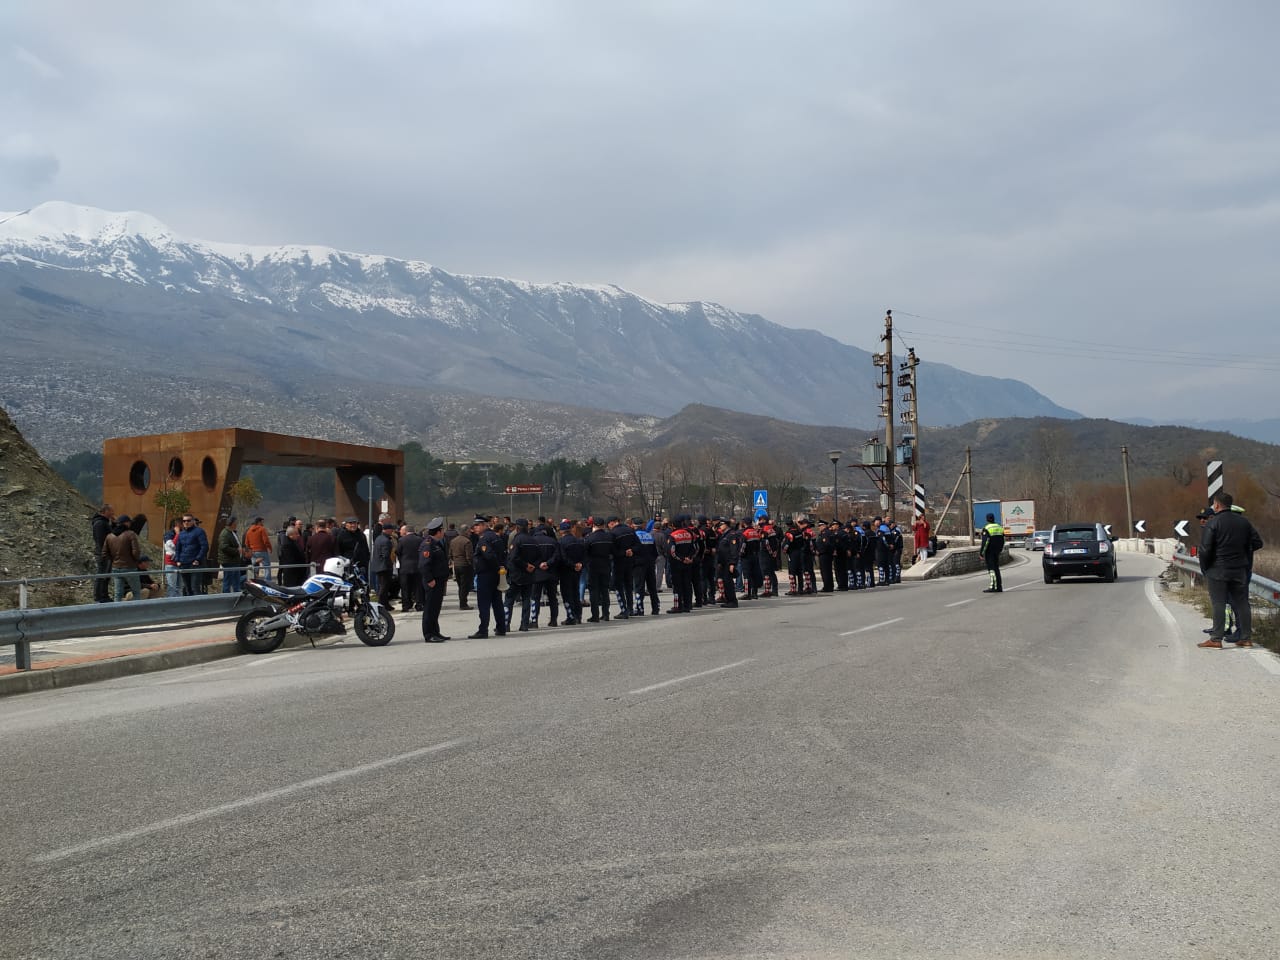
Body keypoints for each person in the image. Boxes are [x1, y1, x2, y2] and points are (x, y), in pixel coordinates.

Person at [1198, 492, 1263, 649]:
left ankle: (1216, 639)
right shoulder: (1244, 523)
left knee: (1219, 602)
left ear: (1217, 505)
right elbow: (1258, 542)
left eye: (1214, 504)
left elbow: (1205, 549)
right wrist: (1243, 552)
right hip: (1240, 569)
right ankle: (1246, 638)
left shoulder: (1212, 524)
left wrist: (1205, 567)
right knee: (1242, 603)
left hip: (1218, 569)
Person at [467, 518, 508, 638]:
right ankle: (501, 627)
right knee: (497, 602)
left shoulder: (484, 539)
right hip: (495, 574)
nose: (475, 528)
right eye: (474, 526)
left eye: (477, 525)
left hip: (486, 574)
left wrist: (495, 568)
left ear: (484, 525)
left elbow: (489, 556)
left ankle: (483, 629)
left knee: (484, 603)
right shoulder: (496, 537)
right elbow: (503, 554)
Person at [420, 517, 451, 642]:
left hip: (439, 581)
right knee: (429, 608)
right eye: (442, 530)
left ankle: (436, 632)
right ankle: (429, 634)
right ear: (438, 532)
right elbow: (423, 564)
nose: (443, 532)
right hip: (432, 582)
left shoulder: (436, 543)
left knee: (435, 608)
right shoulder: (428, 545)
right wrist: (429, 579)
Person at [103, 514, 143, 602]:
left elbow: (104, 553)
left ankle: (116, 613)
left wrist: (113, 560)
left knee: (118, 593)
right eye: (129, 522)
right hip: (130, 567)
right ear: (126, 523)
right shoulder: (130, 534)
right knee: (136, 592)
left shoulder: (109, 536)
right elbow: (136, 552)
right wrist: (136, 561)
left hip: (116, 568)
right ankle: (137, 613)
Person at [584, 518, 615, 622]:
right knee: (604, 590)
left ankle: (595, 615)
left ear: (594, 525)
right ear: (603, 525)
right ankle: (606, 614)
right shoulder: (609, 537)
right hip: (606, 564)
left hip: (593, 566)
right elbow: (613, 551)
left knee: (594, 591)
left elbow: (585, 552)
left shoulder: (590, 538)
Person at [174, 514, 209, 596]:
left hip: (195, 564)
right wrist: (178, 560)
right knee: (187, 588)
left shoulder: (199, 531)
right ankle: (188, 607)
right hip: (183, 564)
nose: (186, 522)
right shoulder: (181, 534)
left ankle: (198, 608)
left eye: (188, 520)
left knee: (195, 587)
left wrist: (198, 559)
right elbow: (178, 548)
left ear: (193, 521)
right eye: (184, 521)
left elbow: (204, 547)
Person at [91, 504, 115, 603]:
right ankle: (99, 596)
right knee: (102, 575)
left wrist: (114, 524)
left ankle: (104, 595)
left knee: (106, 576)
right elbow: (101, 540)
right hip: (103, 554)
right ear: (105, 511)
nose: (113, 513)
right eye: (111, 511)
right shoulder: (100, 524)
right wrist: (105, 553)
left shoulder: (104, 523)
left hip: (106, 554)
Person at [397, 524, 424, 613]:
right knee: (418, 587)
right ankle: (419, 604)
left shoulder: (401, 540)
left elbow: (398, 552)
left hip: (405, 567)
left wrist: (402, 561)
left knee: (405, 587)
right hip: (417, 566)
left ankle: (406, 605)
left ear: (406, 531)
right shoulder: (420, 540)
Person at [449, 522, 475, 610]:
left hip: (456, 565)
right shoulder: (467, 541)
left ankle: (462, 602)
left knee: (460, 585)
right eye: (469, 531)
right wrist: (472, 565)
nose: (470, 533)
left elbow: (450, 554)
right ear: (466, 531)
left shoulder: (453, 541)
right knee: (465, 586)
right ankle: (463, 604)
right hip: (465, 565)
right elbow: (469, 556)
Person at [217, 515, 246, 593]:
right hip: (228, 561)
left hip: (234, 560)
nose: (237, 524)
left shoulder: (232, 532)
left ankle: (236, 593)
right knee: (228, 580)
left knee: (236, 579)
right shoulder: (225, 533)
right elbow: (224, 547)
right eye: (236, 522)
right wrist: (237, 550)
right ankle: (226, 595)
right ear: (232, 523)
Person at [369, 523, 396, 605]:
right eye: (391, 530)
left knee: (382, 586)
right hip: (384, 567)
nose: (392, 531)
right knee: (384, 587)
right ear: (388, 530)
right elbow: (386, 555)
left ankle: (385, 603)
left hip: (378, 566)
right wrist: (390, 565)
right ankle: (381, 603)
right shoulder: (386, 540)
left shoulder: (379, 538)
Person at [980, 513, 1005, 594]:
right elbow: (1002, 540)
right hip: (997, 551)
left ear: (987, 519)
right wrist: (1000, 549)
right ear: (994, 518)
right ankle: (999, 586)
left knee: (991, 569)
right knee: (996, 568)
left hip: (989, 551)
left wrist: (982, 553)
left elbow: (985, 542)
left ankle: (993, 587)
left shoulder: (986, 528)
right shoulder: (999, 527)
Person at [244, 516, 273, 583]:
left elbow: (246, 543)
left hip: (253, 552)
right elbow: (266, 540)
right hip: (262, 550)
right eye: (262, 522)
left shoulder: (249, 531)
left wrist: (249, 550)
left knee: (255, 567)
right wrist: (270, 548)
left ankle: (254, 581)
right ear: (259, 522)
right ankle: (268, 581)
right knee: (267, 567)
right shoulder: (262, 529)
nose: (263, 523)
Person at [279, 522, 308, 587]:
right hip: (292, 574)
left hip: (297, 572)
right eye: (296, 534)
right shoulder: (287, 544)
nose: (298, 535)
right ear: (291, 535)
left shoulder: (292, 542)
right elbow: (290, 559)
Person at [162, 518, 182, 597]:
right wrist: (177, 534)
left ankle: (179, 604)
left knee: (180, 586)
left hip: (180, 563)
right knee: (172, 586)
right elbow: (172, 545)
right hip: (171, 563)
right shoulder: (168, 534)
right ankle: (171, 603)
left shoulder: (183, 533)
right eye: (182, 523)